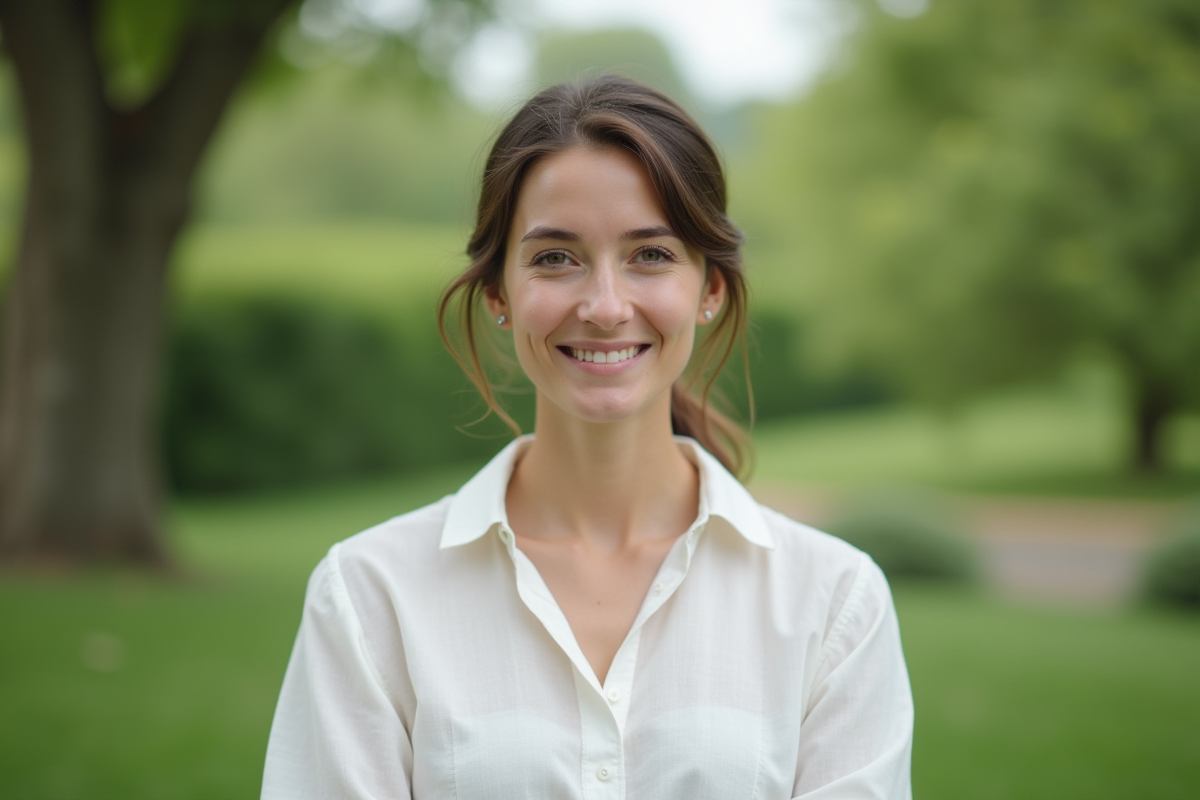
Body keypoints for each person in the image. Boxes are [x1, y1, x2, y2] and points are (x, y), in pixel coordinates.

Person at [261, 75, 913, 799]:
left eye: (651, 255)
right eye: (555, 258)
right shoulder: (369, 596)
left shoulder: (834, 602)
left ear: (711, 290)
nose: (605, 307)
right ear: (499, 295)